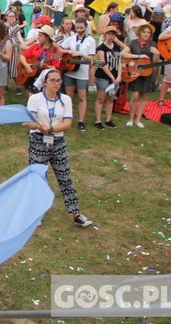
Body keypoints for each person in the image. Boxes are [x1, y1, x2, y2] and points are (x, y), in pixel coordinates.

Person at [23, 69, 93, 228]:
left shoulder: (65, 100)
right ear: (45, 82)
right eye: (52, 80)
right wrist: (40, 126)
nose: (56, 83)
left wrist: (51, 129)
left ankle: (75, 213)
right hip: (38, 140)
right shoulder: (35, 99)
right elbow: (29, 122)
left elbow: (67, 123)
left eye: (58, 80)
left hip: (57, 140)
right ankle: (36, 214)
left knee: (65, 176)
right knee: (39, 178)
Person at [59, 18, 96, 131]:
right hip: (70, 70)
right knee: (68, 95)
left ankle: (81, 120)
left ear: (86, 27)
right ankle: (66, 117)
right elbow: (60, 48)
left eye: (81, 28)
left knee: (81, 96)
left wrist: (80, 53)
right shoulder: (71, 38)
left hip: (82, 71)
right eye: (78, 27)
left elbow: (91, 58)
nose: (79, 30)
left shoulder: (90, 41)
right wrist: (67, 52)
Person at [121, 23, 160, 128]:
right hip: (136, 73)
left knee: (144, 96)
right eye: (144, 32)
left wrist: (156, 54)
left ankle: (138, 119)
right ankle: (131, 118)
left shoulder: (152, 44)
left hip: (148, 73)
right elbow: (123, 54)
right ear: (140, 33)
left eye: (148, 32)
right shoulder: (133, 43)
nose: (146, 34)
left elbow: (155, 62)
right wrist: (138, 56)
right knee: (135, 96)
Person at [93, 26, 122, 129]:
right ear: (105, 35)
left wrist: (119, 75)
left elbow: (119, 62)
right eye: (109, 34)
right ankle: (98, 120)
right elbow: (103, 64)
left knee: (111, 98)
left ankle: (108, 119)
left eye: (113, 34)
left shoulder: (117, 48)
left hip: (114, 76)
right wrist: (112, 77)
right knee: (101, 98)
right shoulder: (101, 48)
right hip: (103, 76)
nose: (111, 36)